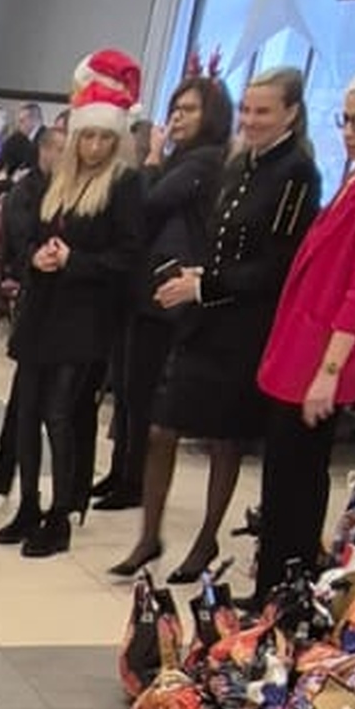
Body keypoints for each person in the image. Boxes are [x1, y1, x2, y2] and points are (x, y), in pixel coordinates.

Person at [111, 69, 319, 581]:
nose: (251, 120)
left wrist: (205, 286)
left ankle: (205, 541)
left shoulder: (297, 173)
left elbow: (276, 266)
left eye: (263, 111)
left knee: (227, 438)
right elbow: (217, 241)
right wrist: (195, 276)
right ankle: (149, 537)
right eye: (246, 109)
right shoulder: (238, 163)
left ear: (291, 113)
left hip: (247, 325)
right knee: (162, 427)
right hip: (205, 318)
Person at [251, 60, 355, 603]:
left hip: (321, 354)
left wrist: (329, 369)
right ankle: (276, 581)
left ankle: (283, 588)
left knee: (297, 476)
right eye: (345, 119)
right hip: (302, 344)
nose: (349, 131)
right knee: (284, 474)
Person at [0, 52, 143, 559]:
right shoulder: (59, 182)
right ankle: (28, 504)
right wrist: (37, 257)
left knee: (59, 413)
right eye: (88, 136)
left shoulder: (124, 185)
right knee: (25, 413)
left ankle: (60, 514)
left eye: (104, 137)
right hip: (43, 308)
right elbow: (32, 236)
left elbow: (128, 256)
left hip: (84, 317)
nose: (95, 146)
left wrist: (74, 260)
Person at [94, 74, 233, 513]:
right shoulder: (183, 158)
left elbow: (150, 202)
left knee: (142, 389)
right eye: (176, 108)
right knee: (127, 387)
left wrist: (152, 156)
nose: (178, 117)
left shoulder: (205, 160)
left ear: (210, 115)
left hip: (166, 291)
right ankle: (120, 470)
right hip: (144, 285)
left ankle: (134, 480)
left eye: (189, 110)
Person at [0, 125, 67, 505]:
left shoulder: (67, 191)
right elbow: (19, 249)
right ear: (45, 151)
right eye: (61, 150)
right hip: (36, 297)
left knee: (35, 405)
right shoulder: (28, 192)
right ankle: (10, 481)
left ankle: (12, 480)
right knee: (28, 403)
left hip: (60, 307)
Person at [0, 102, 46, 180]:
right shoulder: (22, 138)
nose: (19, 125)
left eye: (22, 121)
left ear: (33, 120)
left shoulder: (44, 138)